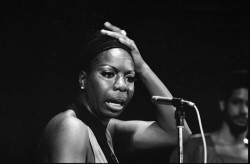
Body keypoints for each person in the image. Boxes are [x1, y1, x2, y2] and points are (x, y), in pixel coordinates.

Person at [37, 22, 192, 163]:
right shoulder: (71, 127)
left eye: (130, 78)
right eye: (108, 74)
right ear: (83, 79)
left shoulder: (106, 130)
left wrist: (142, 68)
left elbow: (178, 134)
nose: (122, 86)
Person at [169, 70, 248, 163]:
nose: (244, 110)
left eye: (249, 104)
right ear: (223, 104)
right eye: (236, 102)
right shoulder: (193, 146)